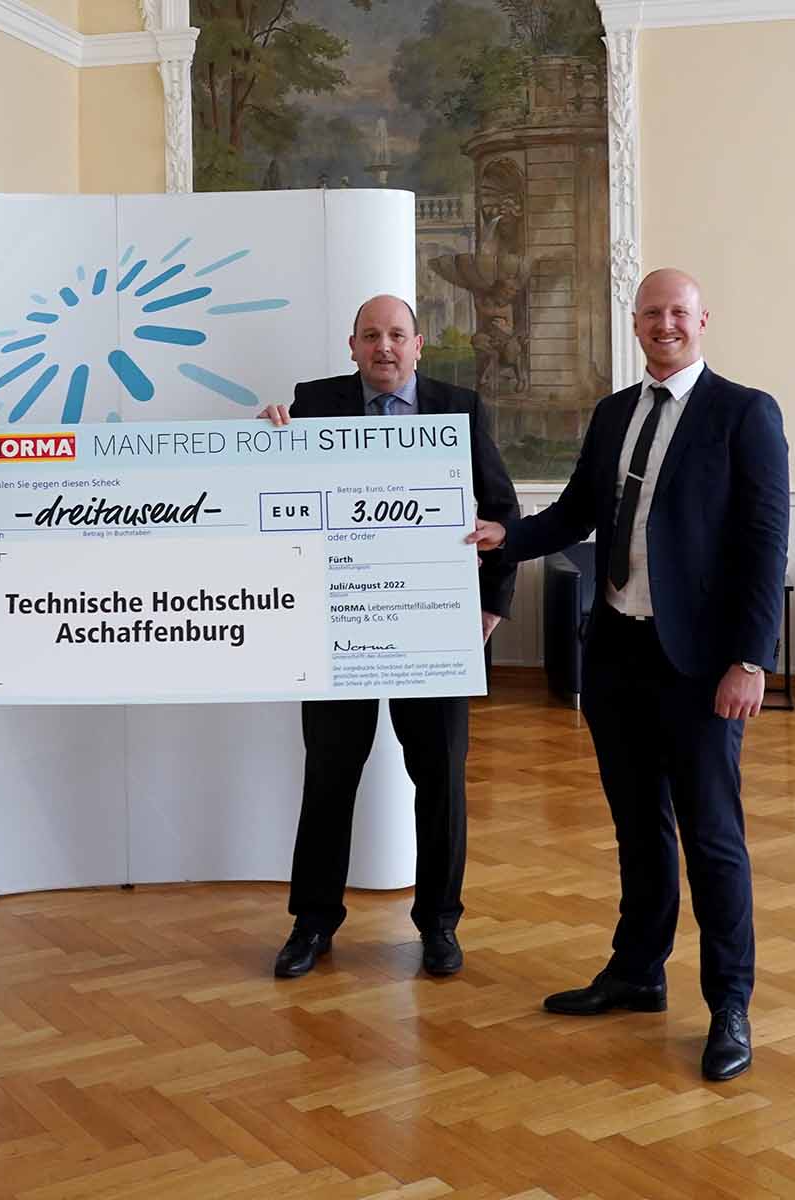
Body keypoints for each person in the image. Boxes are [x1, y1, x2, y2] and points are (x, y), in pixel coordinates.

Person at [467, 269, 789, 1081]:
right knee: (638, 828)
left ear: (702, 320)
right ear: (636, 323)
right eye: (652, 313)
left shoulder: (745, 413)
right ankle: (638, 971)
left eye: (678, 312)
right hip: (615, 654)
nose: (665, 324)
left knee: (714, 839)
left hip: (702, 664)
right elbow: (575, 513)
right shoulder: (614, 413)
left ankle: (730, 1006)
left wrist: (751, 658)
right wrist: (501, 536)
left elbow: (764, 543)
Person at [260, 293, 519, 980]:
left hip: (430, 634)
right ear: (352, 346)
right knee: (329, 780)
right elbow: (273, 496)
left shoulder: (458, 408)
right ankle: (312, 924)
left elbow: (500, 509)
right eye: (370, 336)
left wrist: (491, 609)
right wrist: (263, 440)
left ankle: (438, 924)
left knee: (439, 783)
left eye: (396, 335)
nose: (384, 347)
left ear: (419, 343)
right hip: (340, 634)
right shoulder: (311, 404)